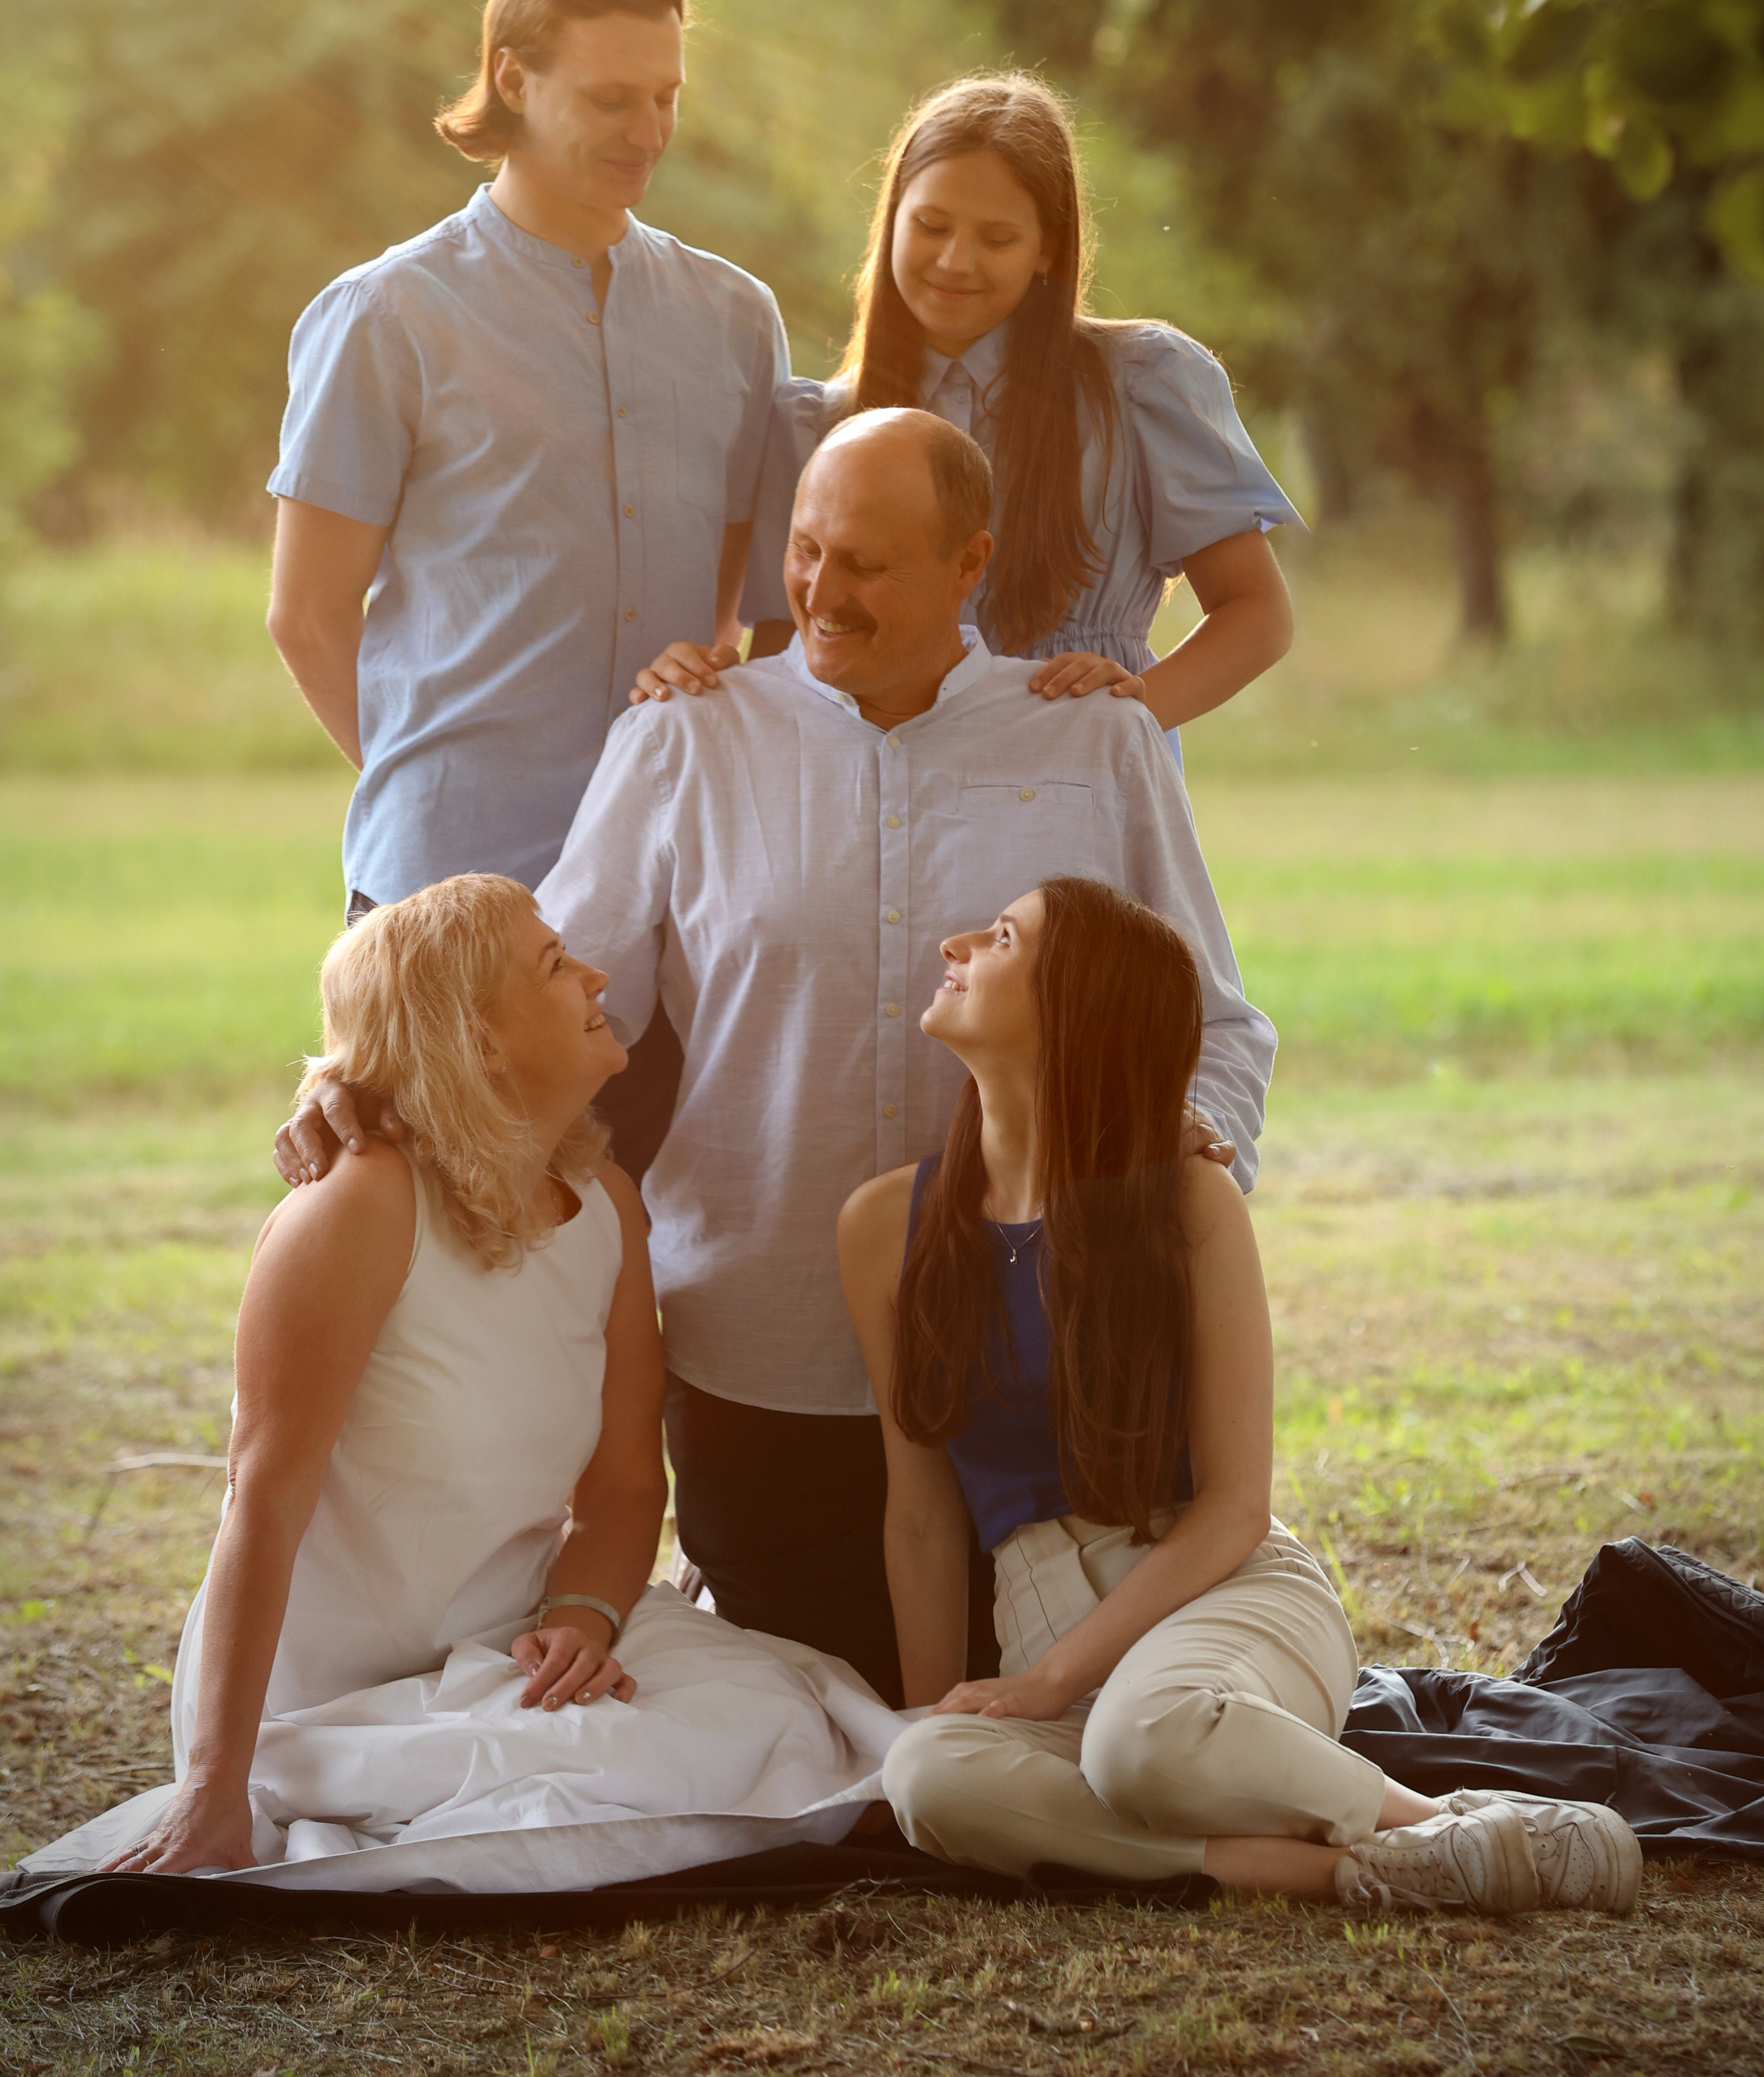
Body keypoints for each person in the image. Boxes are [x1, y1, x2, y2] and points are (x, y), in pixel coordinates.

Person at [278, 409, 1277, 1705]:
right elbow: (532, 1008)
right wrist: (365, 1081)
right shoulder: (683, 738)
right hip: (760, 1352)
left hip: (1041, 1368)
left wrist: (1185, 1172)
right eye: (806, 550)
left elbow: (1218, 1025)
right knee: (812, 1708)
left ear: (970, 562)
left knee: (1060, 1709)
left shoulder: (1092, 739)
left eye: (867, 562)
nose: (821, 589)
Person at [19, 877, 896, 1895]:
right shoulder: (359, 1206)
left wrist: (581, 1621)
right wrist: (214, 1783)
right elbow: (263, 1499)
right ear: (479, 1042)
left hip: (509, 1636)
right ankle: (311, 1773)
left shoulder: (608, 1207)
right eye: (555, 964)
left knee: (780, 1712)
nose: (596, 975)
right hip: (339, 1683)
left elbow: (622, 1488)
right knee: (652, 1766)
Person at [839, 875, 1643, 1916]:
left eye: (998, 937)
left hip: (1222, 1596)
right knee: (927, 1778)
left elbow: (1233, 1507)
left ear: (1078, 1010)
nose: (954, 943)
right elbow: (921, 1516)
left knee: (1143, 1740)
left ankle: (1438, 1819)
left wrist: (1049, 1684)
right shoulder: (882, 1227)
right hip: (1044, 1630)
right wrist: (929, 1711)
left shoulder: (1184, 1199)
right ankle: (1375, 1867)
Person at [265, 0, 799, 1172]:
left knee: (645, 1232)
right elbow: (308, 614)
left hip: (676, 886)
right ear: (513, 76)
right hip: (447, 881)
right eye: (613, 99)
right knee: (427, 1231)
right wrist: (429, 785)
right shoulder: (387, 314)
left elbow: (753, 600)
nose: (648, 130)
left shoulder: (736, 318)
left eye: (667, 96)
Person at [633, 72, 1300, 753]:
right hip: (879, 785)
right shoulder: (815, 426)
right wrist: (693, 685)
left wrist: (1120, 720)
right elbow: (792, 657)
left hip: (1078, 783)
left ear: (1047, 248)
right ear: (892, 218)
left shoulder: (1141, 383)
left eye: (997, 239)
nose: (955, 261)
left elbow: (1257, 612)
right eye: (931, 226)